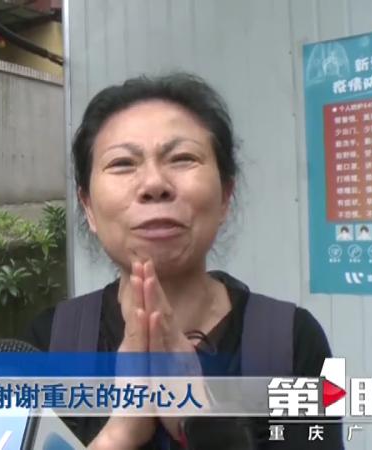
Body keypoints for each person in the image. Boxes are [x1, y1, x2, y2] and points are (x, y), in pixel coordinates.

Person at [23, 73, 343, 449]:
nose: (154, 184)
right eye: (123, 163)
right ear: (88, 206)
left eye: (182, 159)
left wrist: (200, 422)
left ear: (225, 196)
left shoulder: (292, 341)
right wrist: (118, 434)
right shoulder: (49, 342)